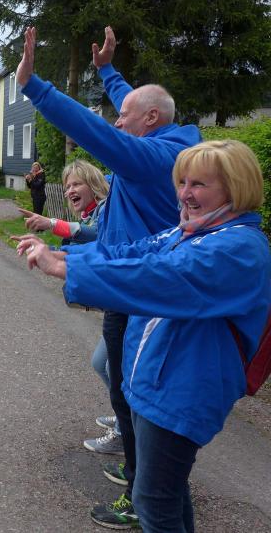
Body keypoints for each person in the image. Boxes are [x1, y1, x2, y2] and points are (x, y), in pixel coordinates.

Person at [16, 139, 270, 533]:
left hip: (183, 392)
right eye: (182, 182)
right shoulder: (193, 231)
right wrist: (66, 254)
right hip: (159, 383)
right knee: (166, 493)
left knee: (153, 501)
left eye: (199, 184)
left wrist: (69, 270)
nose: (185, 193)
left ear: (235, 187)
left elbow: (160, 277)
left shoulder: (237, 248)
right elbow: (134, 253)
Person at [16, 25, 201, 528]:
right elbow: (133, 109)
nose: (117, 121)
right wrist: (107, 73)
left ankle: (143, 491)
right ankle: (146, 477)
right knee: (124, 388)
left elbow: (98, 133)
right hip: (131, 279)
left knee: (132, 396)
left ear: (151, 120)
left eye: (124, 115)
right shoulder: (162, 139)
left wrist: (35, 87)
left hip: (138, 291)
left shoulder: (156, 159)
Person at [19, 160, 122, 455]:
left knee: (113, 368)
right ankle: (123, 415)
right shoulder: (94, 212)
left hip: (126, 302)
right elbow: (84, 247)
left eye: (76, 184)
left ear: (94, 183)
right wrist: (49, 252)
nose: (69, 191)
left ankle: (125, 430)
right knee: (102, 364)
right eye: (67, 186)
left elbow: (99, 239)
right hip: (116, 303)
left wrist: (52, 225)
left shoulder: (108, 209)